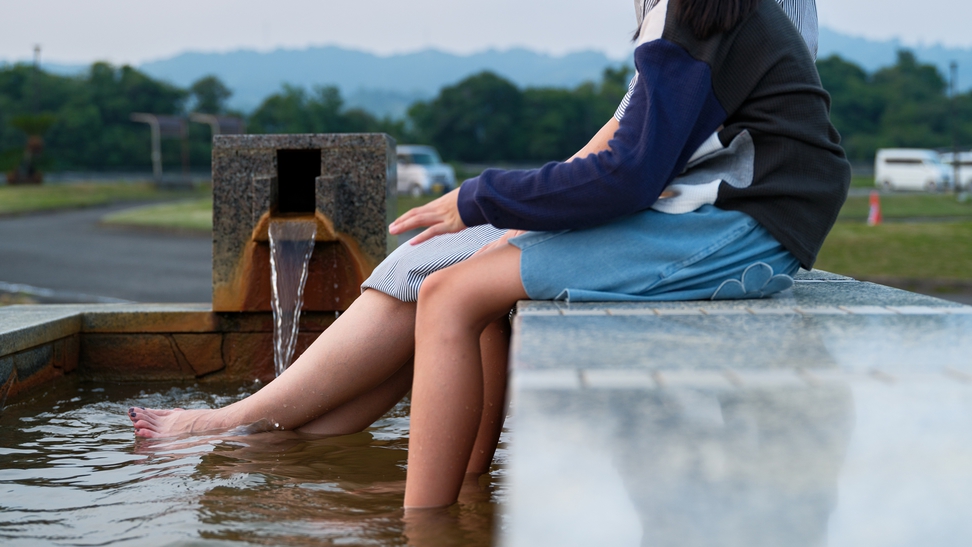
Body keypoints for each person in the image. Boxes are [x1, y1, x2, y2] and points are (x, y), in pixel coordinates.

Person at [129, 0, 842, 507]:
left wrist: (483, 197)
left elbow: (629, 173)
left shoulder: (694, 14)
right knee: (464, 278)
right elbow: (633, 156)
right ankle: (417, 491)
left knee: (451, 291)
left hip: (737, 229)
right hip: (727, 217)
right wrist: (517, 208)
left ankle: (423, 523)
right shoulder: (703, 11)